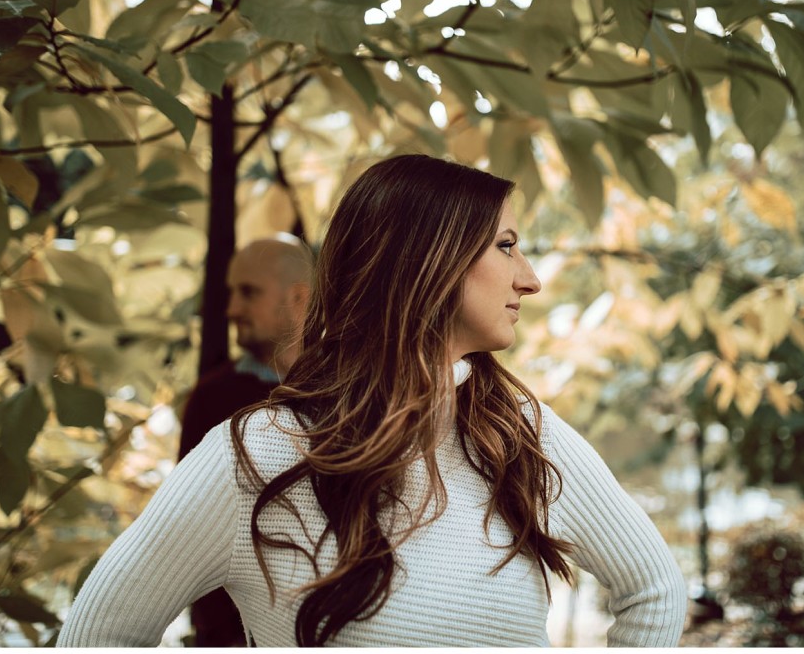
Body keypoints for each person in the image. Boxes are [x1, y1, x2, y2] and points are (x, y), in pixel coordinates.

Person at [58, 154, 687, 647]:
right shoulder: (258, 454)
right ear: (427, 261)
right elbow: (98, 636)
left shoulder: (521, 435)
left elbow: (654, 588)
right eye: (505, 244)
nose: (531, 277)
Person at [176, 235, 313, 646]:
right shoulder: (212, 398)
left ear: (298, 298)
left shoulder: (348, 391)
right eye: (231, 293)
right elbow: (189, 525)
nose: (232, 309)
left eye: (248, 293)